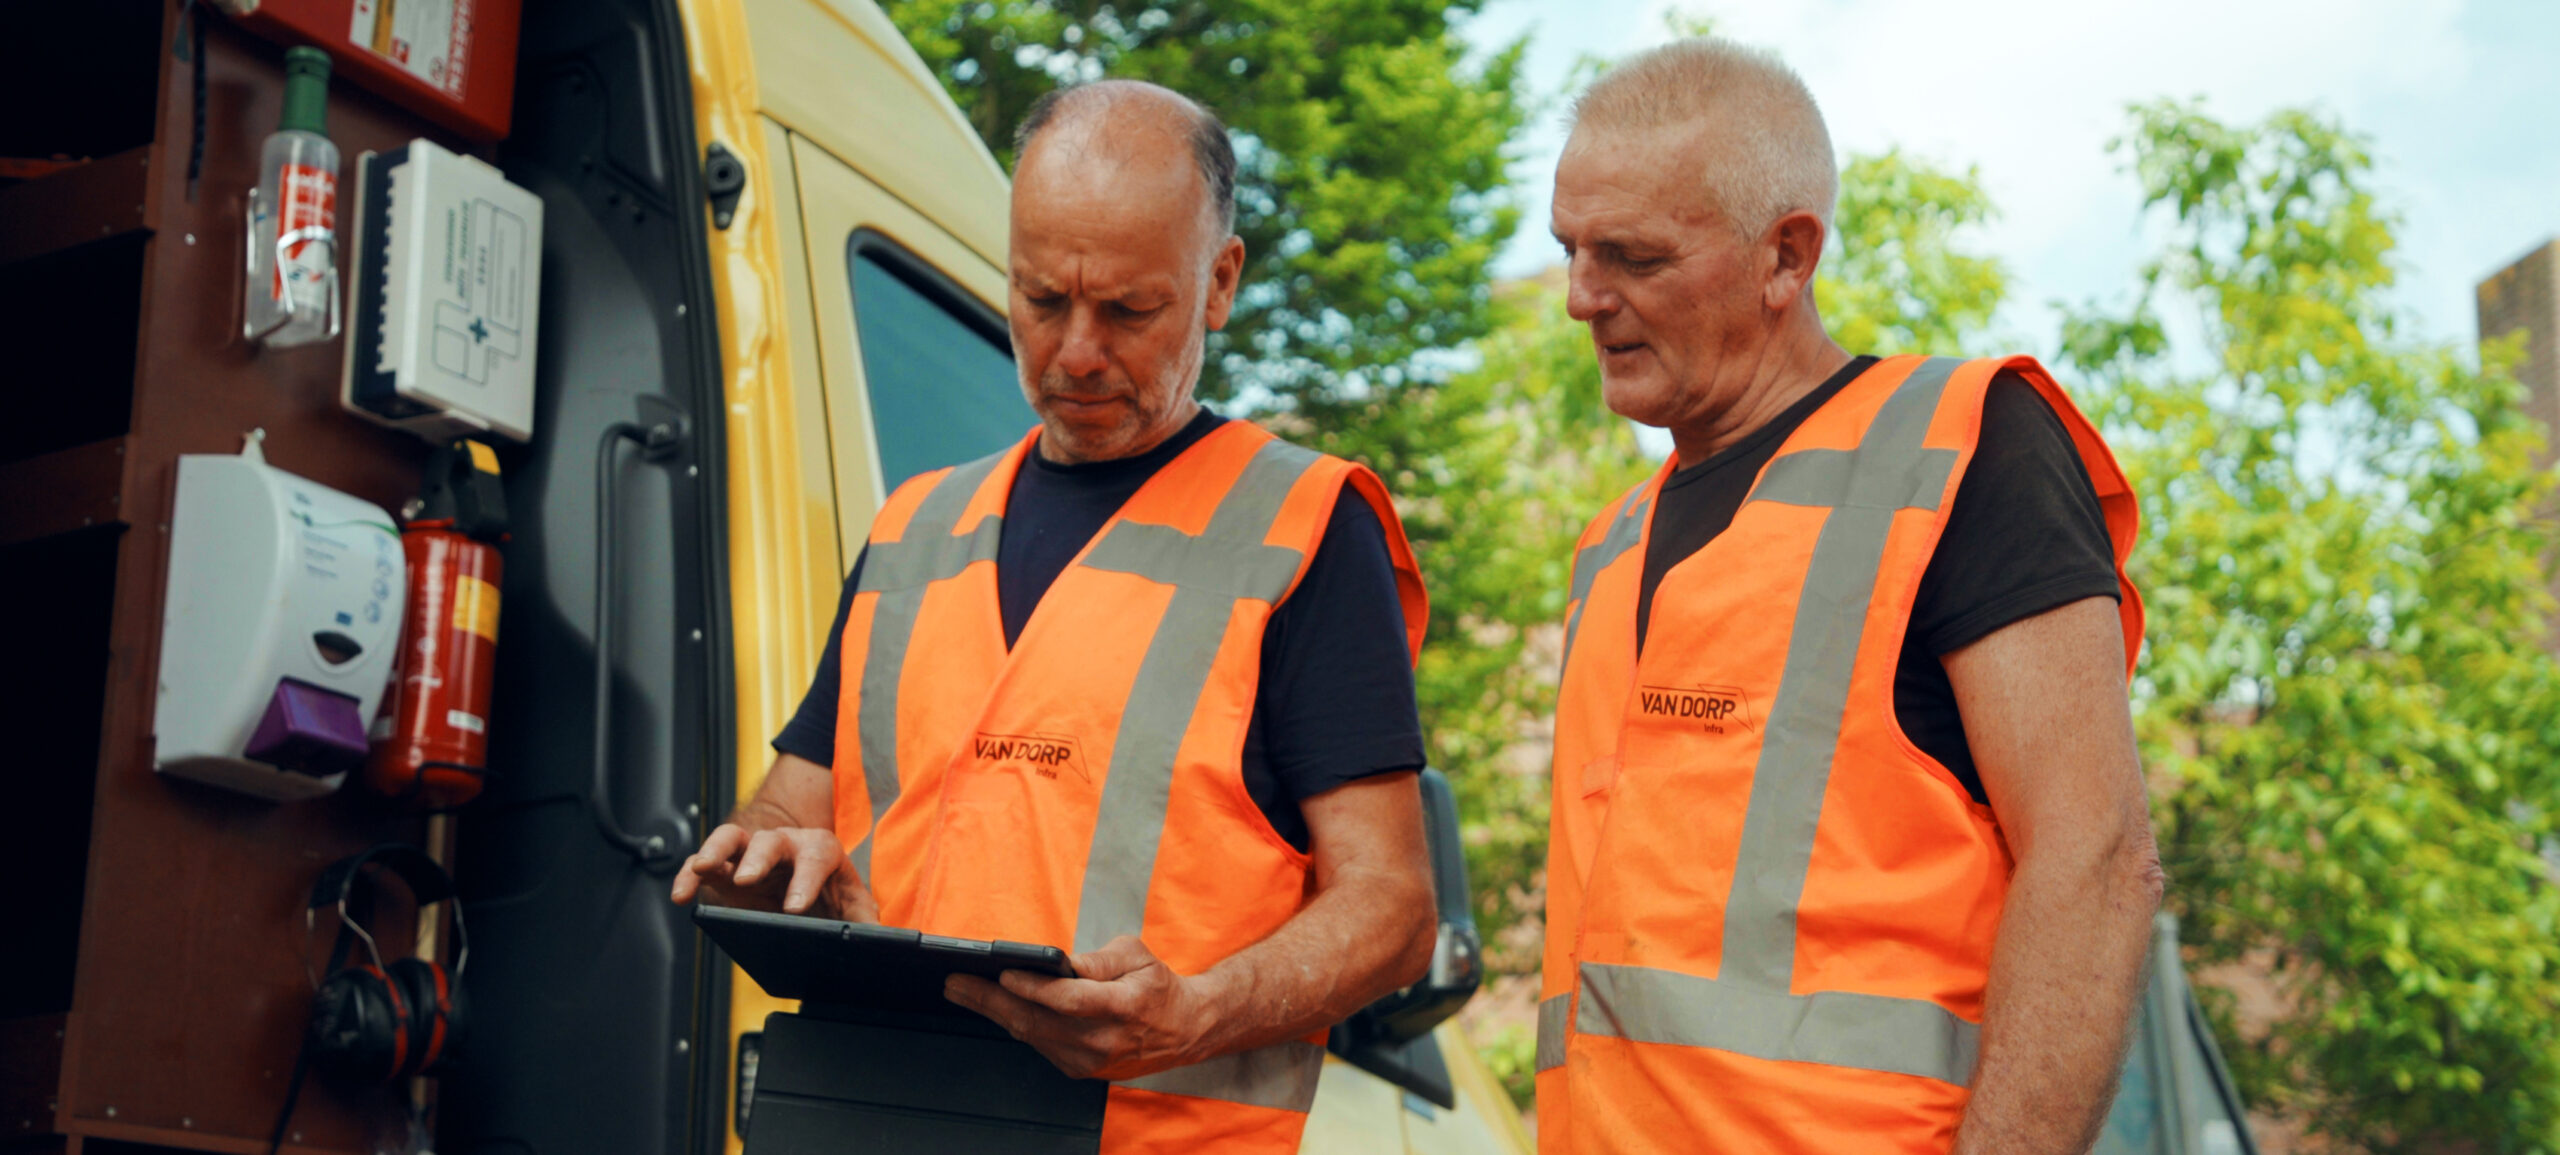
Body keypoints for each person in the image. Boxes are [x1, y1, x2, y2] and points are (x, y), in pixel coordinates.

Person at [669, 80, 1438, 1153]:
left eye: (1128, 310)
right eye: (1040, 300)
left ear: (1219, 284)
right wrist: (756, 866)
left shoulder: (1303, 527)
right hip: (861, 1121)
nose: (1075, 351)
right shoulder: (915, 529)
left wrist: (1197, 1012)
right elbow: (792, 814)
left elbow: (1394, 909)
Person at [1534, 40, 2163, 1154]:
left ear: (1787, 255)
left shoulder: (1964, 448)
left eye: (1632, 256)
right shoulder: (1609, 548)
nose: (1584, 298)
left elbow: (2097, 859)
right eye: (1572, 251)